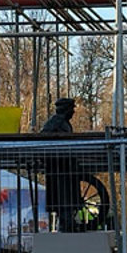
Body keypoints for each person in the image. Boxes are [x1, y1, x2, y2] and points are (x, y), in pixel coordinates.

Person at [40, 98, 80, 231]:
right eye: (72, 109)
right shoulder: (56, 122)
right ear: (66, 110)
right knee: (63, 194)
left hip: (65, 165)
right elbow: (43, 137)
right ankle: (65, 220)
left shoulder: (63, 123)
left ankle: (67, 219)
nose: (74, 112)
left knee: (66, 194)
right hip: (58, 166)